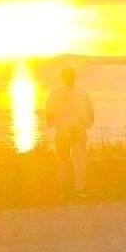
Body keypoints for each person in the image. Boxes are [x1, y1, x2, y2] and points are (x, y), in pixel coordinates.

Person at [45, 65, 94, 198]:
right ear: (75, 78)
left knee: (62, 161)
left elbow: (49, 116)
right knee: (79, 161)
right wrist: (84, 125)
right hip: (78, 131)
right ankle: (80, 190)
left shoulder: (55, 94)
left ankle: (62, 190)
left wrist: (55, 124)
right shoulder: (83, 94)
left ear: (62, 78)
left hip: (62, 132)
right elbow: (90, 115)